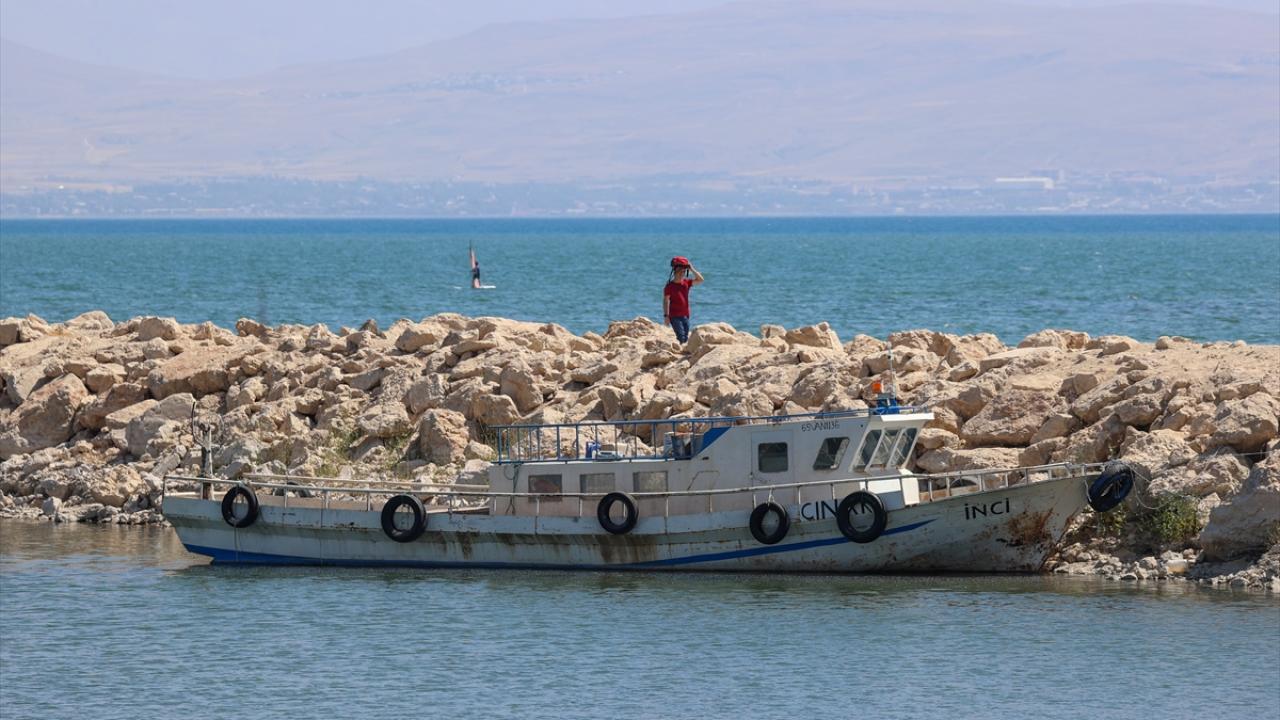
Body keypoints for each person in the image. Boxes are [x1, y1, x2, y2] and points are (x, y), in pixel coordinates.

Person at [662, 256, 704, 343]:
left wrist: (691, 268)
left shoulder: (686, 283)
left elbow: (701, 280)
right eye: (680, 271)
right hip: (674, 316)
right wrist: (666, 316)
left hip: (685, 315)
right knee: (681, 337)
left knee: (685, 336)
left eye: (684, 271)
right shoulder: (669, 286)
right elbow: (665, 301)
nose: (682, 273)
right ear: (675, 271)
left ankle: (681, 351)